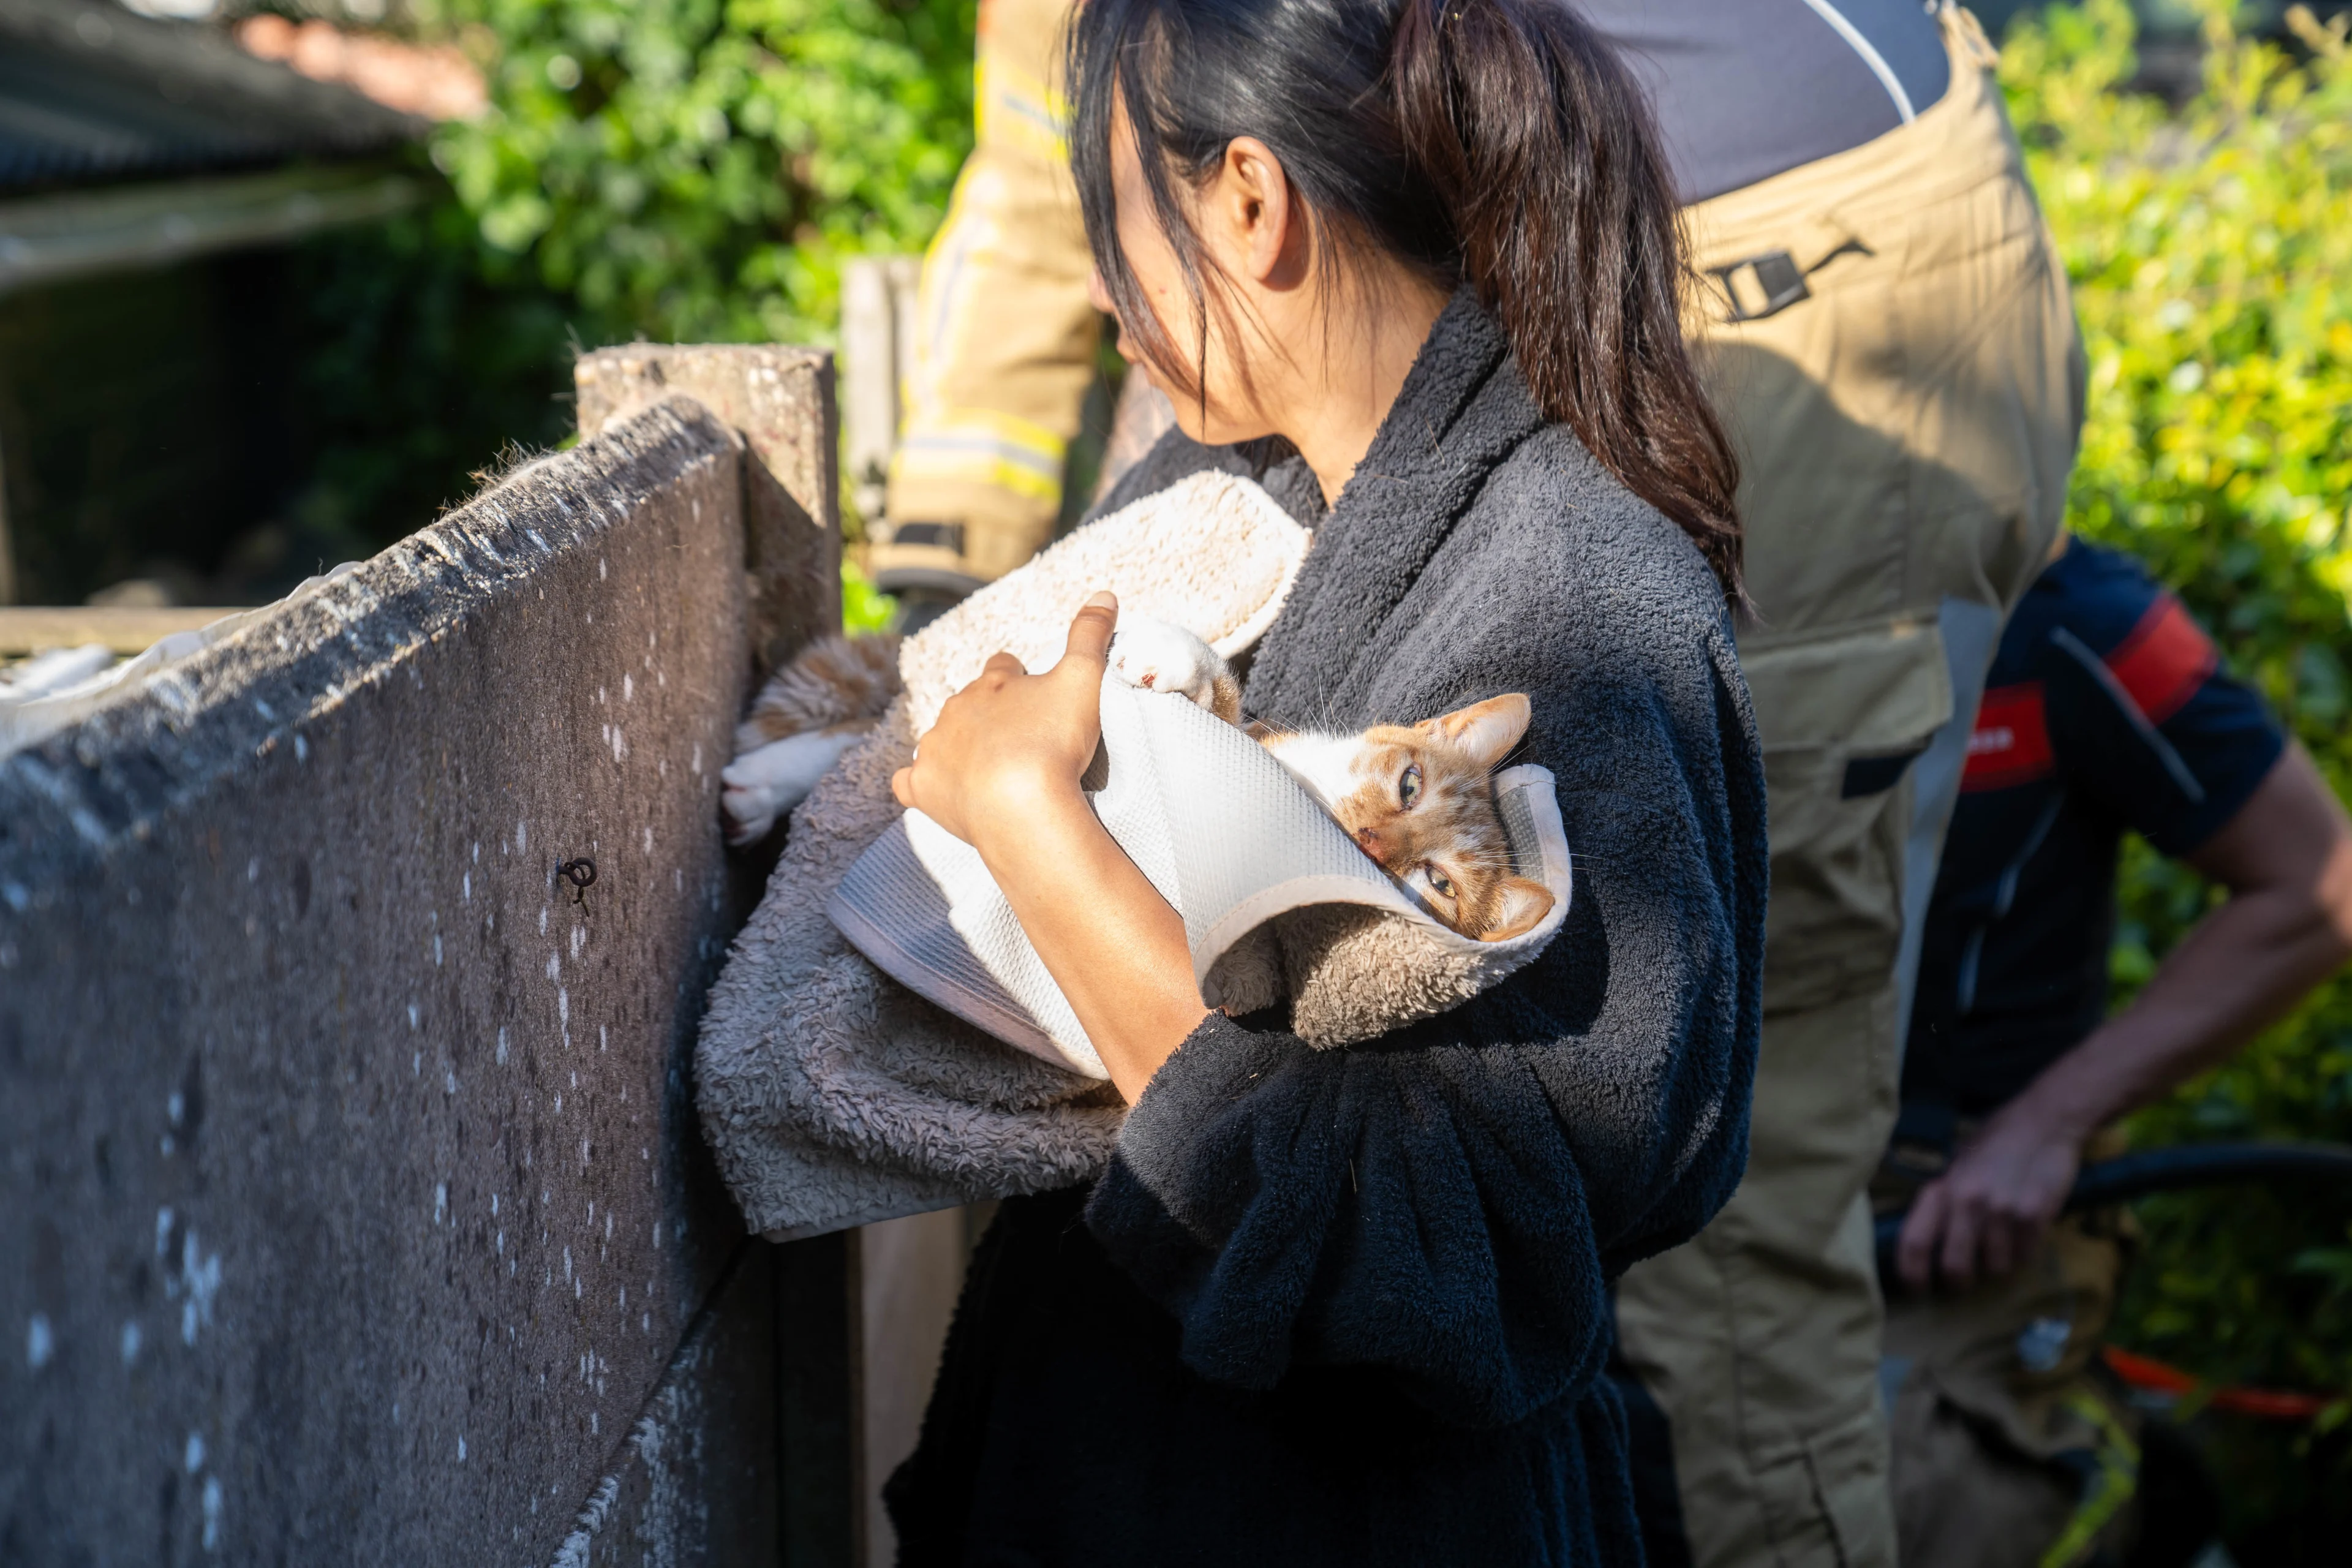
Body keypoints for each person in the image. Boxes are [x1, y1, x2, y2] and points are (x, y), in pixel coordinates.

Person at [876, 4, 2085, 1562]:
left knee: (1744, 1338)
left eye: (1110, 222)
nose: (1100, 284)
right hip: (1123, 1478)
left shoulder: (1579, 617)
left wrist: (1037, 826)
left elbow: (1445, 1271)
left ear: (1250, 200)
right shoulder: (1232, 488)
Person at [1877, 539, 2352, 1568]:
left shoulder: (2078, 614)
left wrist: (2046, 1126)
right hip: (1751, 1181)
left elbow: (2323, 885)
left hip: (1961, 1201)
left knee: (1910, 1495)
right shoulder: (1720, 568)